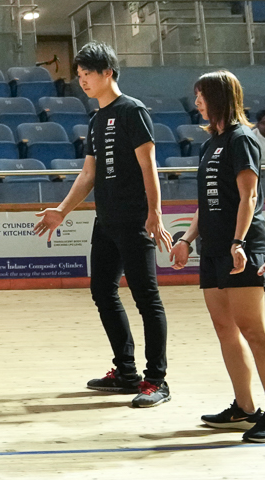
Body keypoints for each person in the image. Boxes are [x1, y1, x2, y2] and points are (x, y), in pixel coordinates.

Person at [34, 42, 172, 408]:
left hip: (135, 220)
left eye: (87, 74)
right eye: (78, 76)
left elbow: (149, 166)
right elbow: (88, 174)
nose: (82, 81)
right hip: (106, 220)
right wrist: (62, 210)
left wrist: (154, 213)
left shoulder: (133, 111)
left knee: (147, 299)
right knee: (103, 292)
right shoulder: (97, 119)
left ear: (108, 72)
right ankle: (126, 372)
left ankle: (156, 380)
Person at [176, 71, 265, 444]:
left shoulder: (241, 140)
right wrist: (188, 239)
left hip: (241, 248)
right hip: (212, 249)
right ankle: (244, 407)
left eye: (201, 96)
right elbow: (207, 204)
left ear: (219, 97)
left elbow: (249, 196)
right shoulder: (212, 143)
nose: (197, 103)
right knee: (225, 329)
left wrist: (238, 243)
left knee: (254, 330)